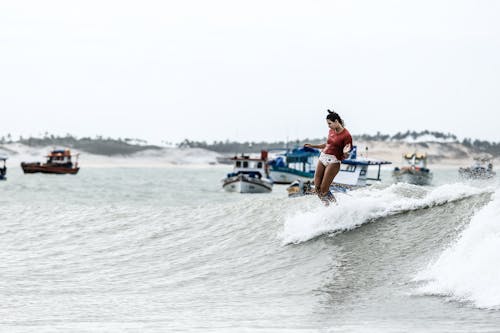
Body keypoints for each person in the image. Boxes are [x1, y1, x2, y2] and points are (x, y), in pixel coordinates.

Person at [304, 109, 352, 206]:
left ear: (336, 121)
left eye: (330, 123)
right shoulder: (331, 131)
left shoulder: (346, 135)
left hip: (334, 161)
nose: (328, 126)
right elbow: (328, 144)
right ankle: (326, 206)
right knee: (317, 188)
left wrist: (346, 153)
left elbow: (346, 155)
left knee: (324, 189)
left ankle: (336, 207)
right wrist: (313, 146)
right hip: (323, 157)